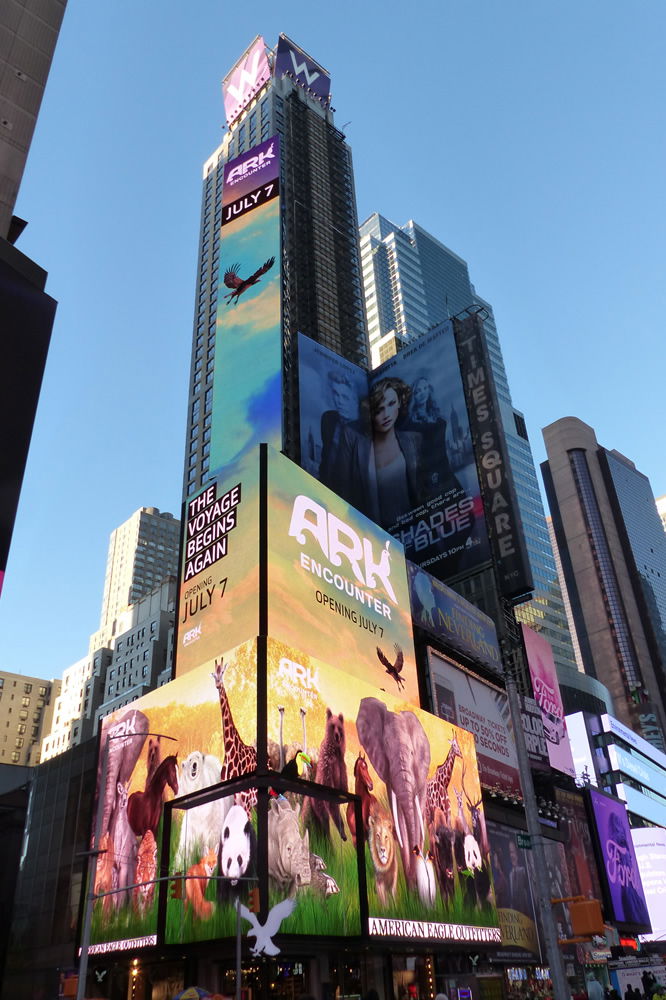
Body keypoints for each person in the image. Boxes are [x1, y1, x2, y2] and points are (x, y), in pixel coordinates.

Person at [369, 377, 424, 528]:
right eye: (379, 410)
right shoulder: (362, 452)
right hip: (380, 539)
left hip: (417, 528)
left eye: (391, 404)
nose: (386, 414)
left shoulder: (414, 441)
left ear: (400, 402)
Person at [404, 376, 460, 500]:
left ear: (429, 390)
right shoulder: (410, 424)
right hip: (427, 474)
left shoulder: (438, 417)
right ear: (413, 396)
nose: (422, 393)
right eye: (417, 391)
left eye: (425, 388)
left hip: (445, 469)